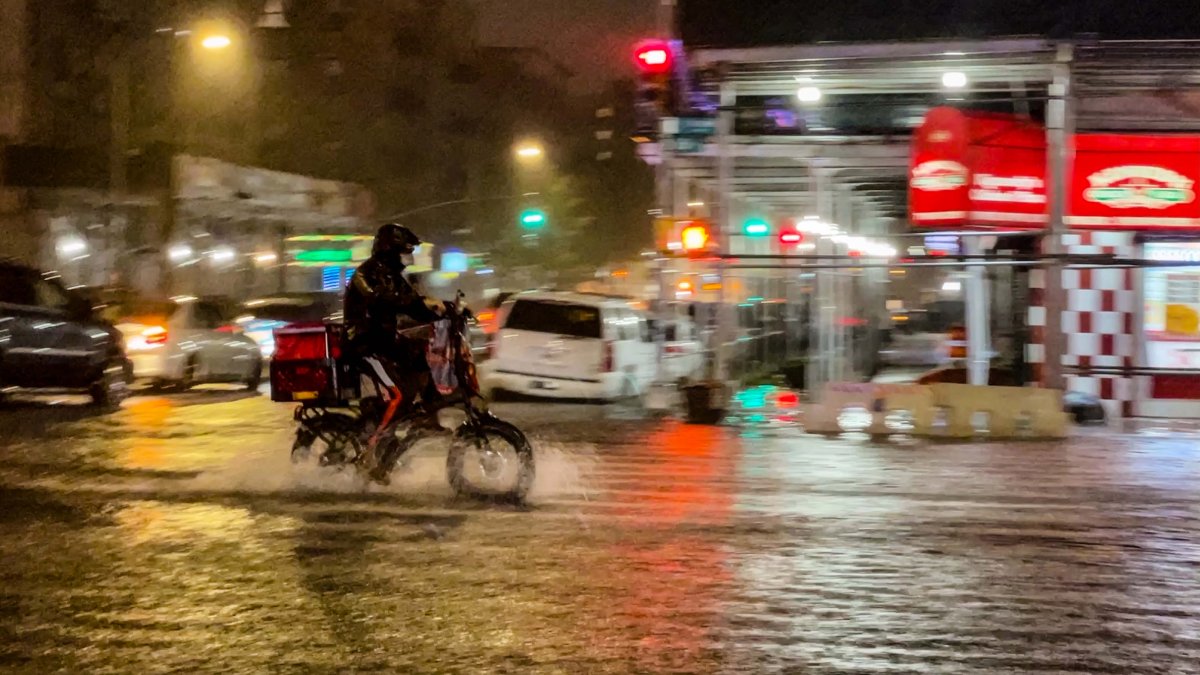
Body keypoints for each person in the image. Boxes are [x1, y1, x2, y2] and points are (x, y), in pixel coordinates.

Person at [343, 223, 444, 482]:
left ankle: (428, 416)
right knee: (398, 395)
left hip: (384, 340)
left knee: (418, 355)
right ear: (390, 250)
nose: (407, 258)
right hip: (364, 345)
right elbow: (378, 299)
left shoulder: (393, 275)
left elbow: (415, 305)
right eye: (404, 252)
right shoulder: (364, 275)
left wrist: (444, 312)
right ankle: (371, 450)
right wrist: (410, 302)